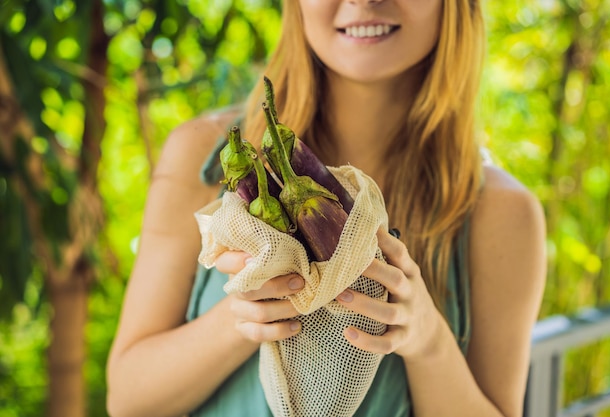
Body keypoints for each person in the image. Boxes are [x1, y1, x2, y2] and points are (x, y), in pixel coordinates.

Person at [106, 0, 547, 416]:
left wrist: (428, 341)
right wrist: (241, 319)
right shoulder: (199, 157)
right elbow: (127, 399)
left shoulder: (503, 214)